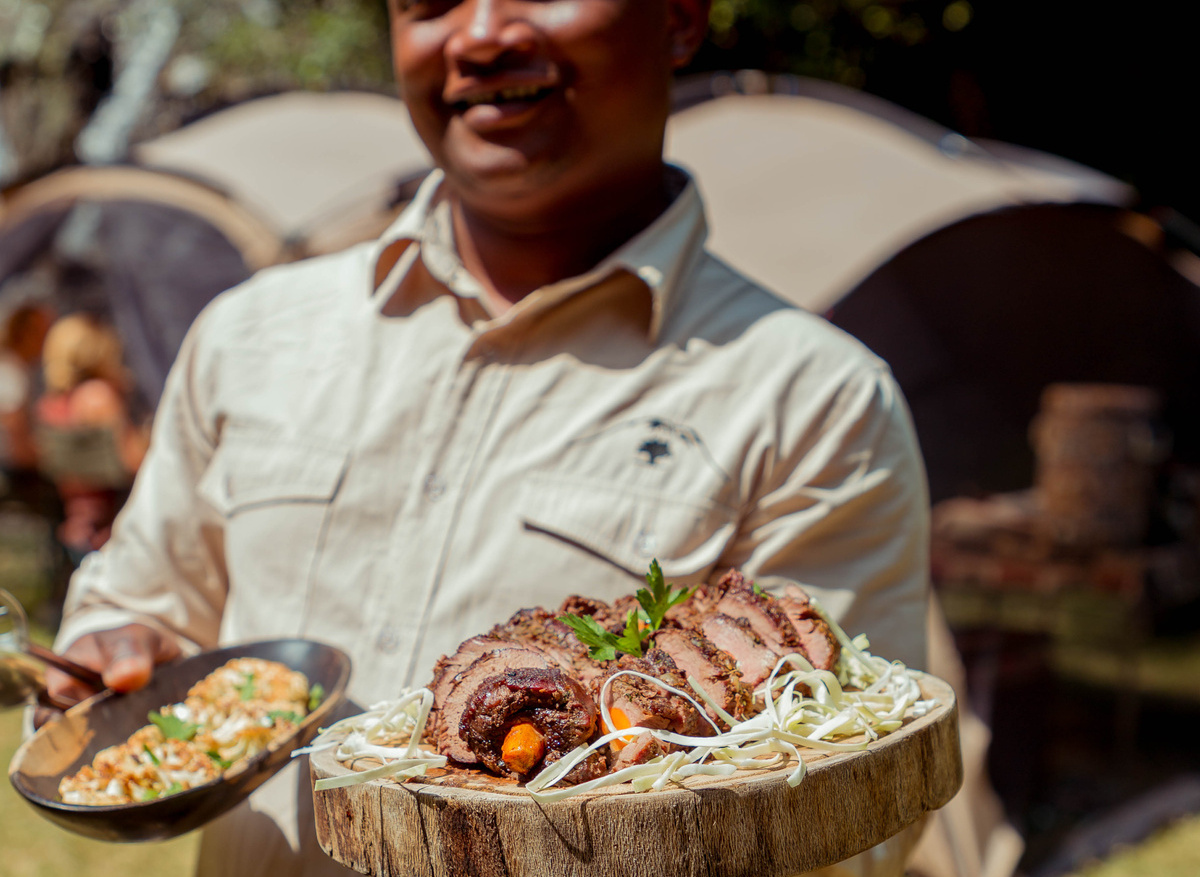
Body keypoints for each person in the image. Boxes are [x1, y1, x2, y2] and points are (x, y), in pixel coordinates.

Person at [45, 2, 930, 875]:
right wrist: (111, 653)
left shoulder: (814, 400)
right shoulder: (252, 336)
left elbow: (845, 818)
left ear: (680, 18)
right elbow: (144, 605)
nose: (477, 35)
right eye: (429, 3)